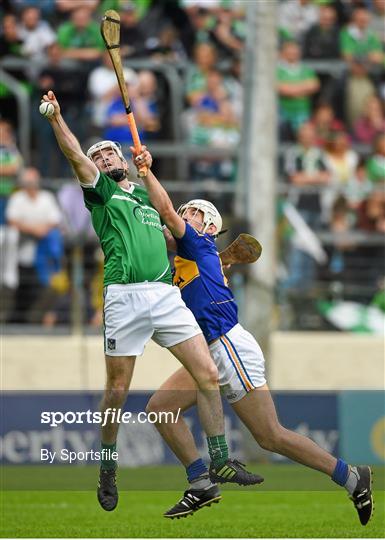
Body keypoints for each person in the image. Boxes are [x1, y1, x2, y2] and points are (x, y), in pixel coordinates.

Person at [39, 89, 262, 514]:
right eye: (98, 154)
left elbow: (180, 242)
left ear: (124, 160)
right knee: (118, 391)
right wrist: (57, 120)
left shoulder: (144, 199)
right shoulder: (101, 191)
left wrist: (218, 258)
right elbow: (73, 154)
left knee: (207, 374)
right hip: (124, 296)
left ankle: (214, 467)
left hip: (164, 295)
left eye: (109, 153)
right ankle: (107, 465)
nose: (103, 157)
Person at [131, 145, 374, 526]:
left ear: (208, 228)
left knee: (270, 436)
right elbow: (154, 222)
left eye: (191, 212)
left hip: (228, 346)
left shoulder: (198, 245)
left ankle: (350, 476)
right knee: (160, 408)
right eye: (183, 211)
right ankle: (200, 481)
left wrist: (146, 170)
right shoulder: (186, 258)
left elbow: (162, 210)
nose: (182, 215)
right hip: (205, 351)